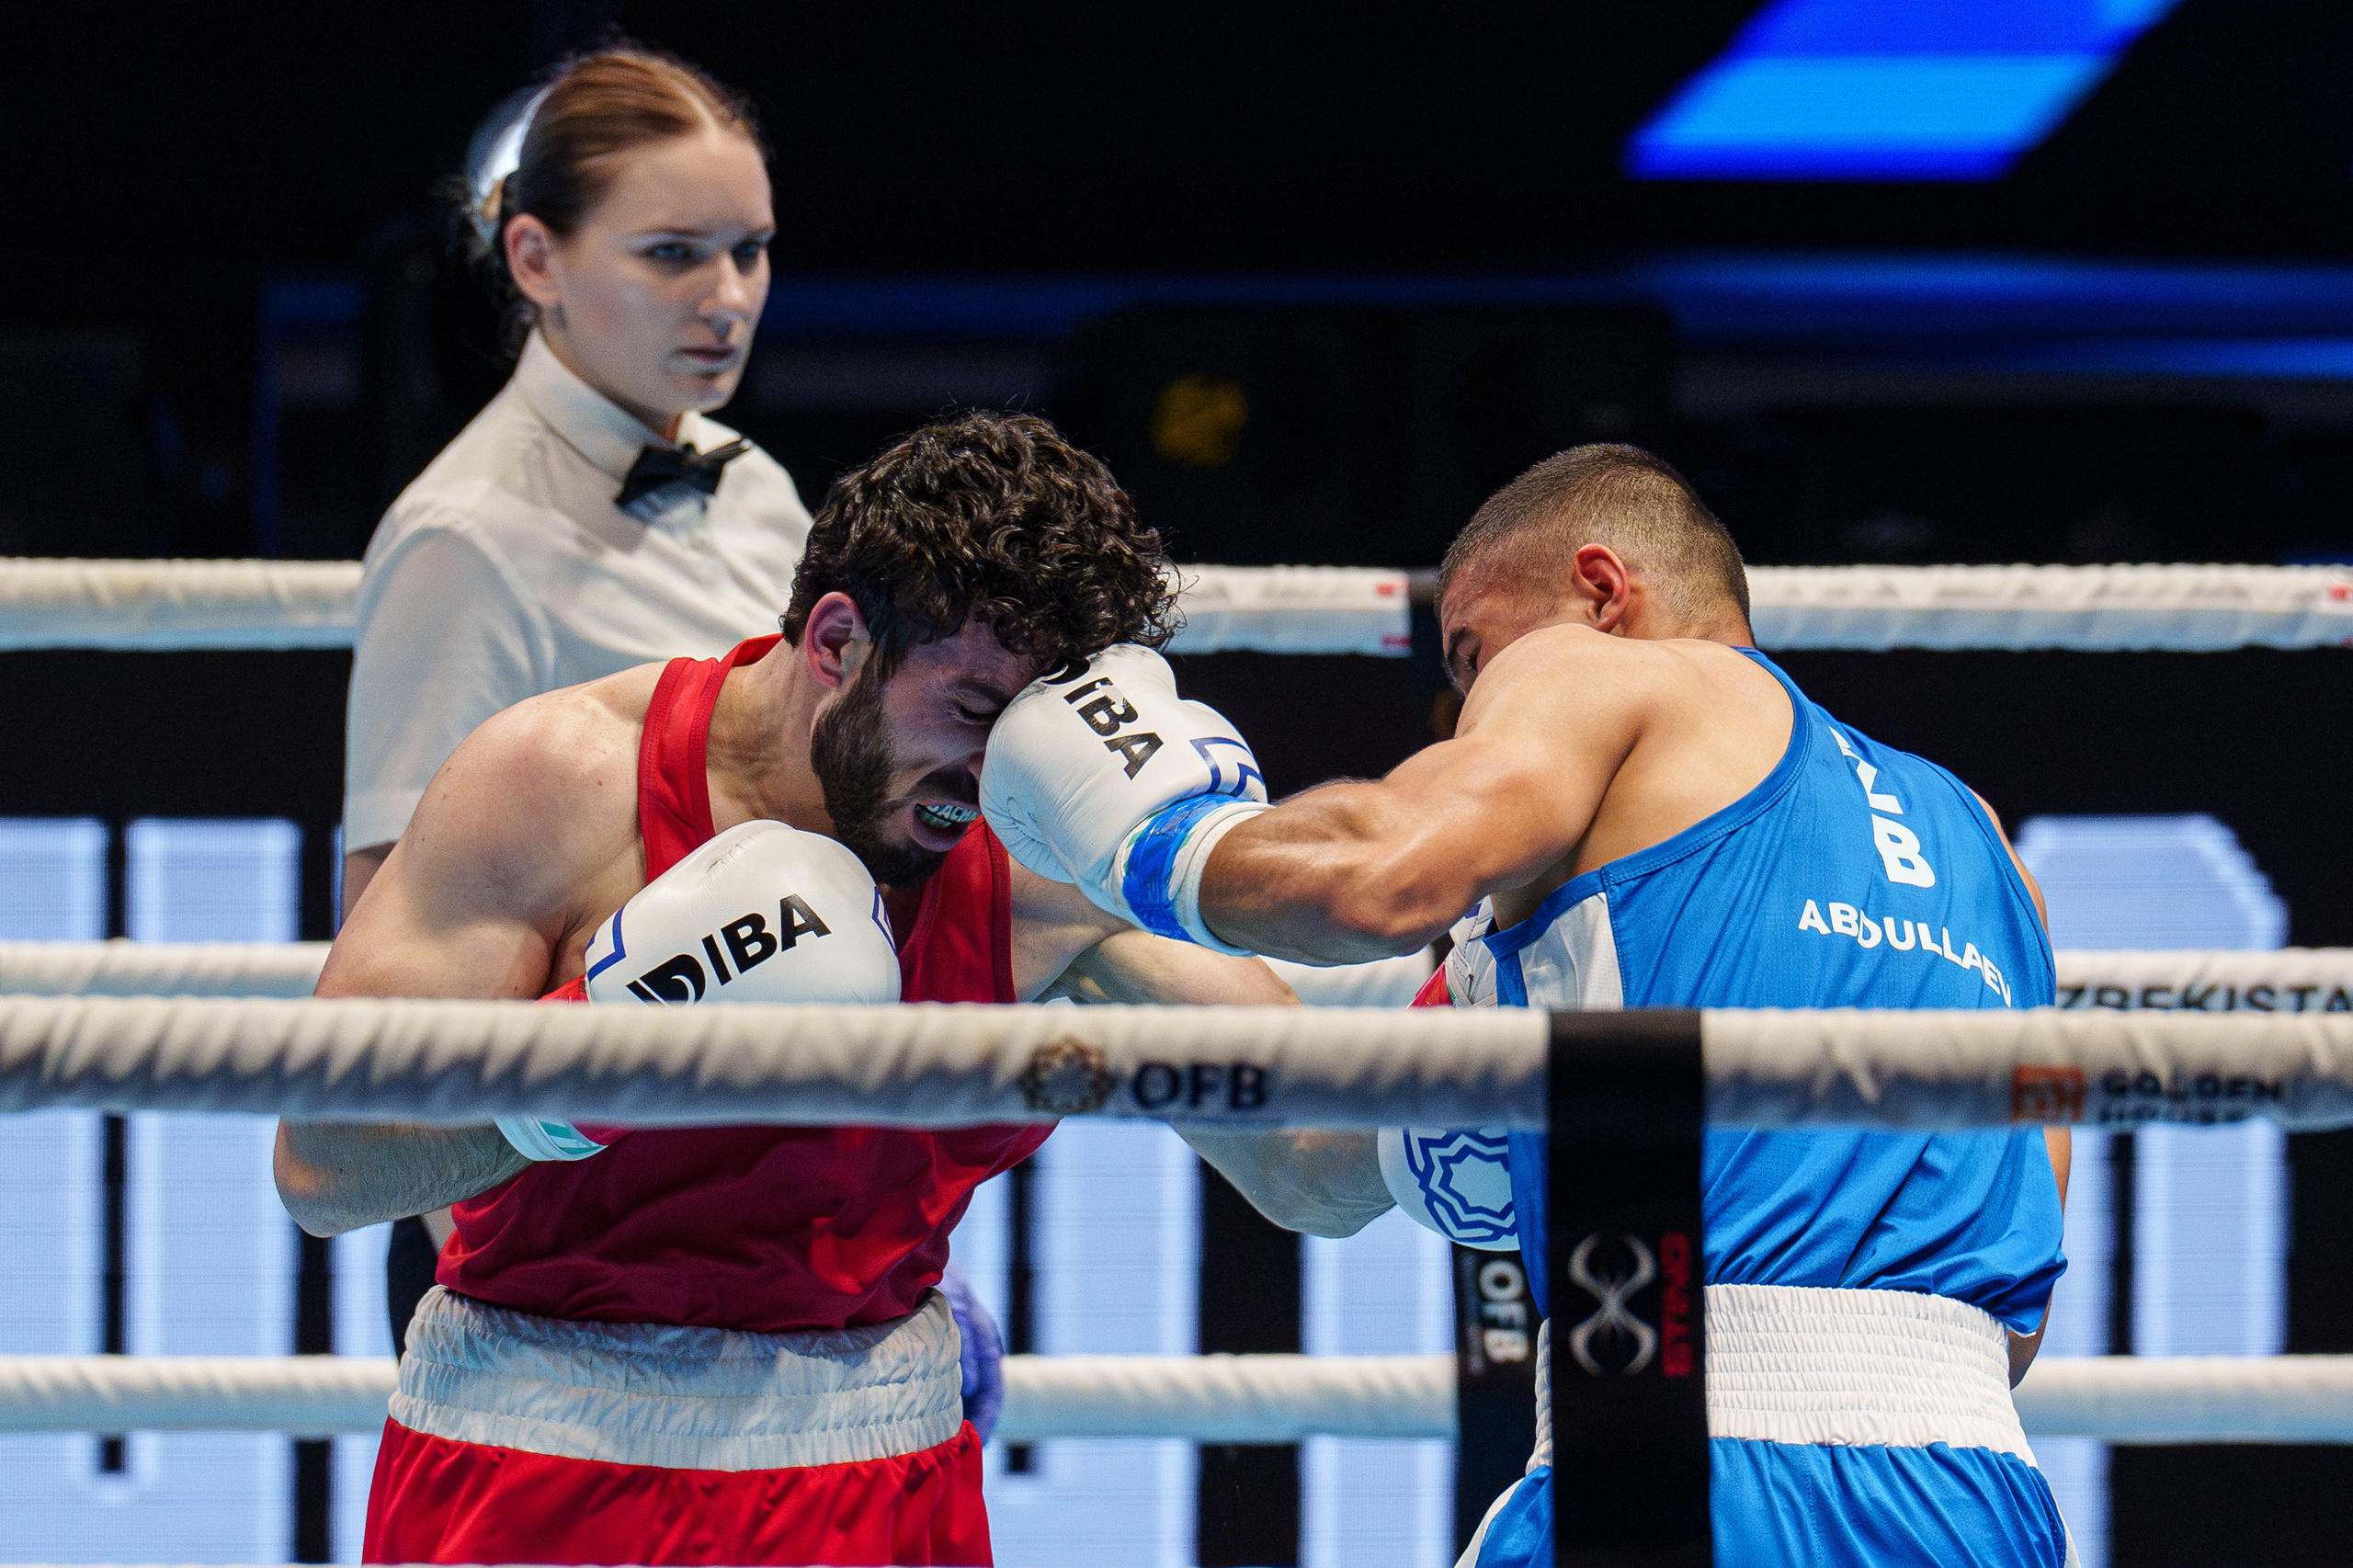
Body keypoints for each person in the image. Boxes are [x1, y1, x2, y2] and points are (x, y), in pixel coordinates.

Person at [980, 443, 2074, 1567]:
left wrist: (1153, 834)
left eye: (1473, 654)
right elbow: (1316, 1159)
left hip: (1678, 1469)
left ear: (1599, 592)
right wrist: (1101, 931)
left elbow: (1374, 880)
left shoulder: (1608, 676)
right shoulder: (1985, 849)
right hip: (1982, 1498)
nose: (1469, 712)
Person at [276, 412, 1294, 1567]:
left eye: (1030, 735)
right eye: (970, 710)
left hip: (878, 1480)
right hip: (537, 1473)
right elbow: (326, 1162)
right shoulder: (561, 782)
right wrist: (605, 1045)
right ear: (836, 639)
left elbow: (1319, 1159)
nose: (989, 776)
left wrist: (1466, 970)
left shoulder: (1049, 849)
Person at [344, 45, 813, 1346]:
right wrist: (491, 1272)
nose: (727, 297)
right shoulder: (465, 534)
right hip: (546, 1233)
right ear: (536, 259)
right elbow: (391, 931)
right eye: (672, 254)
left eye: (750, 250)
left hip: (764, 1191)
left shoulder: (758, 488)